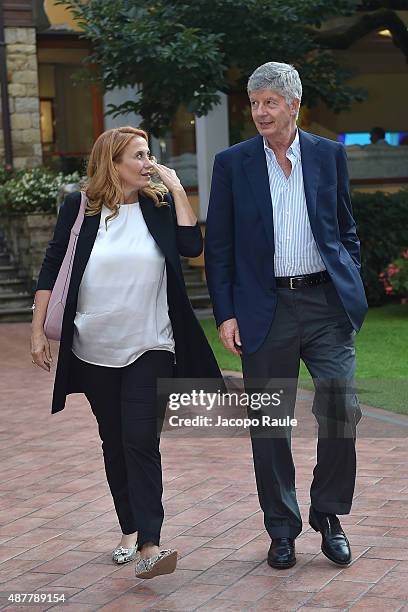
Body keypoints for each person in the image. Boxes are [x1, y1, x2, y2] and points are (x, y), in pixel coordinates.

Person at [31, 126, 222, 580]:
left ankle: (151, 546)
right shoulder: (80, 208)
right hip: (93, 346)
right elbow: (53, 264)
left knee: (140, 440)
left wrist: (176, 188)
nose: (148, 162)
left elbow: (192, 245)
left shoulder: (158, 205)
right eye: (138, 155)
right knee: (114, 443)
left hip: (151, 344)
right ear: (113, 164)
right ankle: (129, 528)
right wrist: (38, 330)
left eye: (149, 153)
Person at [205, 62, 368, 570]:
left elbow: (344, 227)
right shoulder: (233, 163)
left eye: (269, 102)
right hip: (264, 308)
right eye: (254, 103)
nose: (259, 113)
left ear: (293, 105)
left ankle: (329, 514)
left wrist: (350, 280)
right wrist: (227, 314)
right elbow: (220, 247)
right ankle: (282, 526)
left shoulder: (328, 154)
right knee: (270, 423)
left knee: (341, 409)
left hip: (325, 305)